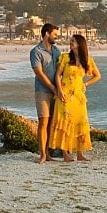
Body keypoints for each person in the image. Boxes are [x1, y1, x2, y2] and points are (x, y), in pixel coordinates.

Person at [50, 33, 101, 162]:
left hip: (79, 97)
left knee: (80, 122)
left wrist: (86, 84)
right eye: (70, 41)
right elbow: (57, 76)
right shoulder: (65, 58)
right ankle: (65, 154)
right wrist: (60, 91)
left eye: (73, 41)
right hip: (65, 94)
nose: (70, 43)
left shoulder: (87, 60)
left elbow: (97, 75)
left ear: (80, 44)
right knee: (65, 122)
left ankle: (80, 154)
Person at [29, 22, 62, 164]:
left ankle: (48, 152)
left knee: (51, 124)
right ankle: (42, 154)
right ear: (47, 34)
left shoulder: (57, 51)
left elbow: (61, 72)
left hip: (56, 91)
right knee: (43, 121)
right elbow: (39, 73)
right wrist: (53, 88)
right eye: (55, 35)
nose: (56, 38)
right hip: (42, 91)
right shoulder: (36, 51)